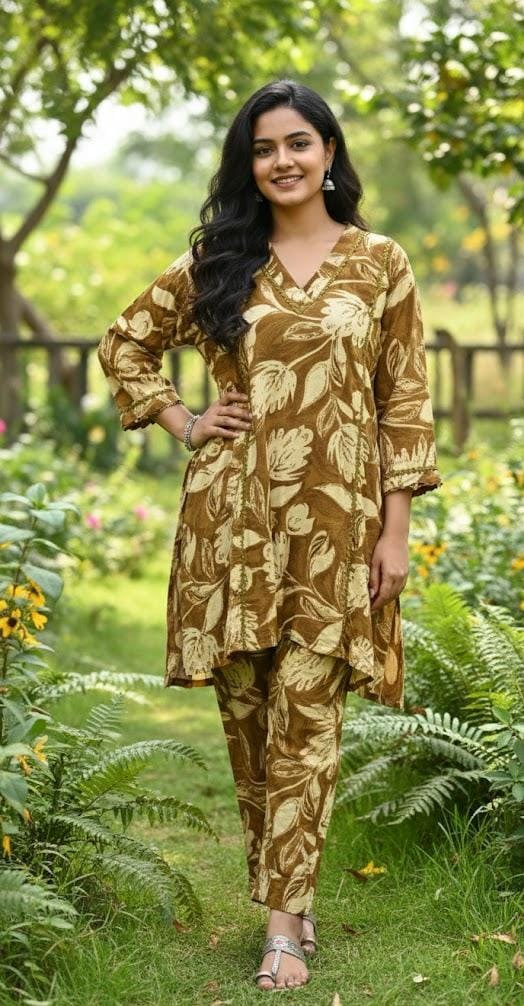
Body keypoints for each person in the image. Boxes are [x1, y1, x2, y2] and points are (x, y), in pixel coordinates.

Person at [98, 78, 443, 991]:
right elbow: (124, 342)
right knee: (250, 721)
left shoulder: (379, 262)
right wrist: (183, 419)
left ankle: (284, 925)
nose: (281, 161)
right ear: (247, 165)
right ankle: (288, 890)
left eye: (297, 143)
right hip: (232, 525)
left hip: (338, 529)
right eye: (263, 149)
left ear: (328, 153)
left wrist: (396, 531)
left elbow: (404, 400)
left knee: (309, 715)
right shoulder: (219, 259)